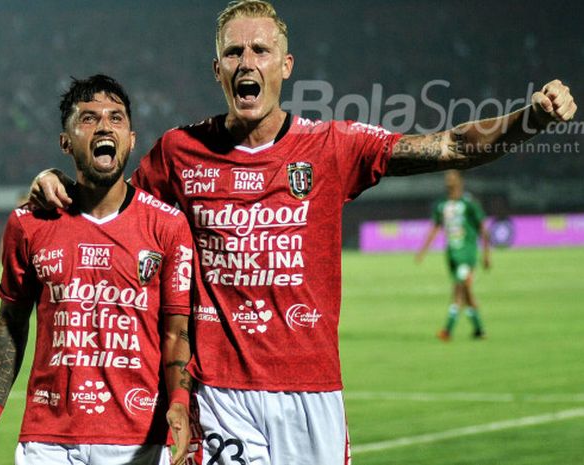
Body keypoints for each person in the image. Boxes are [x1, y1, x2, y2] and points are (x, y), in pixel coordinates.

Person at [28, 2, 577, 463]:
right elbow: (113, 206)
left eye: (260, 51)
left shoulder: (332, 147)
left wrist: (529, 117)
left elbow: (452, 146)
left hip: (314, 393)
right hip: (220, 393)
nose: (247, 62)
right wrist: (57, 181)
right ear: (216, 69)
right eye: (234, 52)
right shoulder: (178, 152)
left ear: (285, 65)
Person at [0, 75, 194, 465]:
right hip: (48, 443)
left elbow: (177, 330)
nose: (103, 126)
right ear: (65, 143)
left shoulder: (168, 226)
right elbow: (11, 322)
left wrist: (180, 404)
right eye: (88, 118)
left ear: (131, 139)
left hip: (139, 440)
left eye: (116, 118)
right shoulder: (29, 224)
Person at [416, 170, 490, 341]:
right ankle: (479, 330)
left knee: (460, 288)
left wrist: (486, 254)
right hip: (452, 255)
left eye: (452, 177)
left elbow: (482, 228)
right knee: (466, 291)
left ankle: (447, 330)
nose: (448, 180)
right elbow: (435, 227)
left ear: (460, 181)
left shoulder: (468, 202)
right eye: (446, 178)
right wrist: (423, 250)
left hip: (467, 253)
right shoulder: (442, 204)